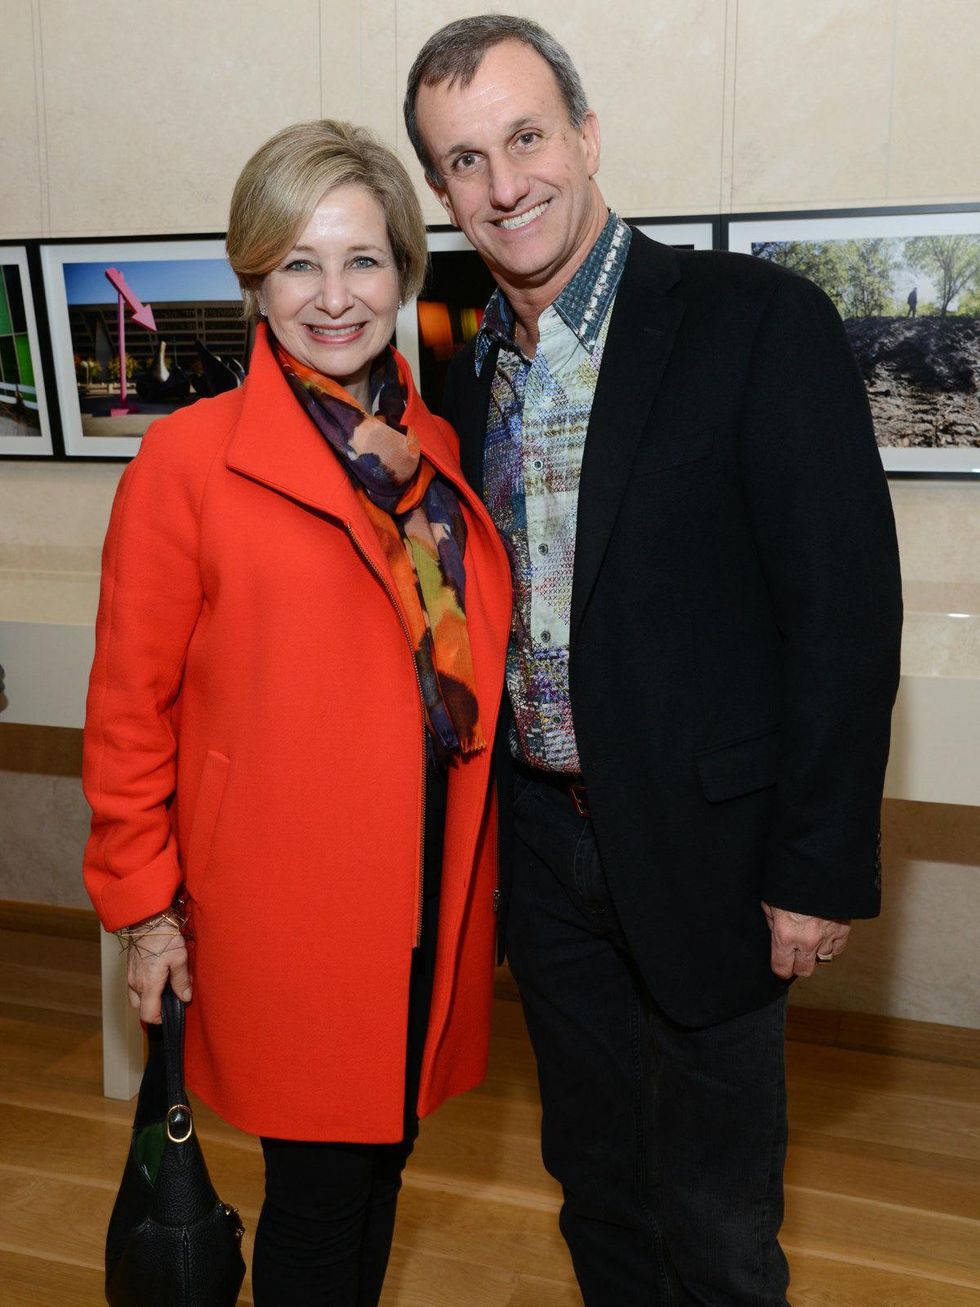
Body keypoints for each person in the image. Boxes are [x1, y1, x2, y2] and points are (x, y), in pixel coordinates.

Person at [404, 16, 903, 1306]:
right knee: (598, 1186)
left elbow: (843, 618)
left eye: (524, 137)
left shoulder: (755, 321)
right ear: (441, 189)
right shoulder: (457, 361)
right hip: (538, 849)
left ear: (585, 134)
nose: (503, 183)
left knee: (719, 1225)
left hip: (712, 850)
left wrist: (813, 867)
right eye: (464, 160)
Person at [81, 118, 511, 1307]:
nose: (332, 296)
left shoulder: (431, 445)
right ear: (254, 280)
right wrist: (145, 911)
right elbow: (128, 710)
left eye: (362, 260)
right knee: (321, 1194)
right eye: (297, 264)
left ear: (404, 271)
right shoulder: (187, 459)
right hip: (287, 907)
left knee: (381, 1168)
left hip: (427, 886)